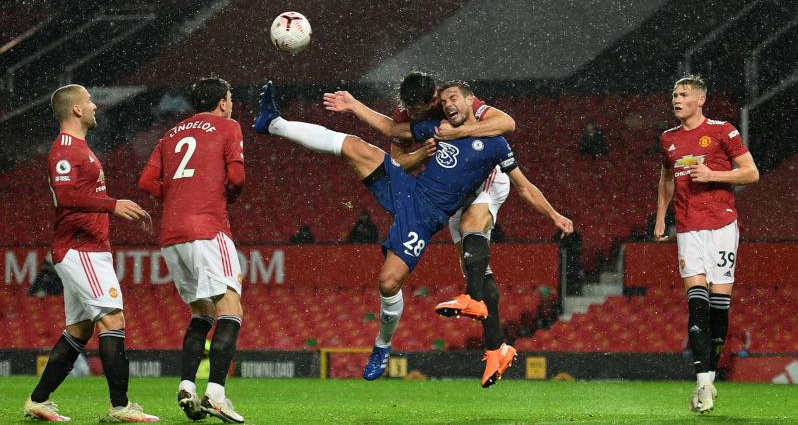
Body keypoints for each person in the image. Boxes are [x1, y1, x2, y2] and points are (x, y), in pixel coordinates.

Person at [254, 79, 572, 384]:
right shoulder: (431, 126)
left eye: (453, 100)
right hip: (409, 189)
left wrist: (553, 214)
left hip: (426, 217)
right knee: (352, 146)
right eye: (444, 101)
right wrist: (354, 105)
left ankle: (386, 343)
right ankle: (273, 123)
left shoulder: (493, 140)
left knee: (389, 280)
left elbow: (521, 176)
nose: (448, 105)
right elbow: (393, 131)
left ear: (467, 101)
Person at [323, 71, 521, 387]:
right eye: (409, 111)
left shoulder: (454, 104)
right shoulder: (413, 119)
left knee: (474, 242)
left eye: (418, 111)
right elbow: (398, 155)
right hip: (450, 193)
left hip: (483, 178)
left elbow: (506, 124)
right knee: (474, 266)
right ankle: (497, 347)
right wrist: (418, 150)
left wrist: (462, 133)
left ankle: (487, 328)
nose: (411, 116)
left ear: (435, 99)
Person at [24, 84, 158, 422]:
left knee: (81, 329)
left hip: (91, 248)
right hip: (79, 247)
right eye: (89, 101)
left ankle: (37, 401)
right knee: (113, 319)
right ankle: (120, 407)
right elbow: (67, 195)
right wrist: (114, 205)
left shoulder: (82, 148)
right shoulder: (65, 149)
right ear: (77, 110)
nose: (95, 105)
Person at [138, 77, 245, 423]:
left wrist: (178, 197)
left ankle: (187, 385)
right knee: (231, 307)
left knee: (202, 313)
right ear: (222, 102)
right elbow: (238, 179)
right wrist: (219, 194)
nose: (231, 103)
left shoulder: (170, 135)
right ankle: (216, 393)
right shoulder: (228, 127)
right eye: (230, 97)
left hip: (172, 235)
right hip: (208, 227)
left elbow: (145, 182)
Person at [654, 74, 759, 414]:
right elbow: (667, 177)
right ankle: (703, 384)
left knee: (718, 308)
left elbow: (750, 172)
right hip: (688, 229)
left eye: (683, 94)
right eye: (674, 94)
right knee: (696, 307)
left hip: (723, 226)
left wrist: (713, 175)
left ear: (701, 99)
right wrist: (660, 217)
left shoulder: (722, 130)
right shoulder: (667, 139)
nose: (677, 98)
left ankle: (708, 380)